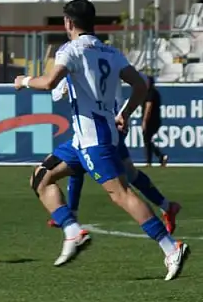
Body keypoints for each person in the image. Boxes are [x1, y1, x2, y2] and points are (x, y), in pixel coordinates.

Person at [16, 0, 188, 279]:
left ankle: (170, 248)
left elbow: (49, 83)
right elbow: (141, 85)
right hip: (85, 137)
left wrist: (23, 81)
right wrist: (127, 113)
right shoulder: (111, 52)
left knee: (121, 194)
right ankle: (73, 232)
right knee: (40, 177)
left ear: (69, 22)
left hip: (94, 139)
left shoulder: (70, 50)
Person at [42, 74, 180, 233]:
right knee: (124, 173)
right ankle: (167, 207)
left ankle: (167, 227)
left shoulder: (103, 58)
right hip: (94, 128)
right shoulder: (79, 61)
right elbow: (57, 93)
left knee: (124, 179)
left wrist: (125, 112)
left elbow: (141, 81)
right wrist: (65, 87)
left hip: (108, 127)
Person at [143, 75, 167, 167]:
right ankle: (159, 157)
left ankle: (151, 160)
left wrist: (144, 121)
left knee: (147, 140)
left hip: (151, 121)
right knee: (148, 140)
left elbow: (148, 107)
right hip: (155, 120)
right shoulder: (154, 92)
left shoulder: (150, 93)